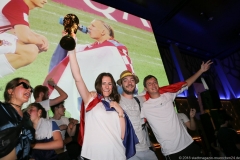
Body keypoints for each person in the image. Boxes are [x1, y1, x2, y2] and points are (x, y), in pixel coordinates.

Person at [44, 19, 134, 120]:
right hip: (107, 94)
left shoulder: (112, 45)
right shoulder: (98, 45)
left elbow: (81, 54)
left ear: (103, 32)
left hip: (121, 92)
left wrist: (71, 42)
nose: (89, 27)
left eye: (93, 26)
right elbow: (81, 51)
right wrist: (69, 39)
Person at [68, 47, 138, 159]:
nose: (106, 86)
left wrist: (120, 112)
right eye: (103, 83)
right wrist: (71, 50)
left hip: (117, 154)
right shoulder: (91, 99)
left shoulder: (116, 105)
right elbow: (78, 78)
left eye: (109, 84)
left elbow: (122, 135)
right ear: (98, 85)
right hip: (95, 155)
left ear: (113, 86)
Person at [141, 60, 212, 159]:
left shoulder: (168, 95)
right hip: (172, 151)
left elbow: (185, 84)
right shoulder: (144, 106)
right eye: (149, 84)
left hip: (188, 143)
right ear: (145, 88)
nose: (153, 85)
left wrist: (201, 70)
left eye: (155, 82)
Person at [0, 0, 49, 78]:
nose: (45, 1)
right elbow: (25, 37)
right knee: (30, 51)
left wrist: (37, 37)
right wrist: (41, 42)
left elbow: (17, 30)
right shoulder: (17, 3)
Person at [116, 70, 158, 160]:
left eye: (132, 80)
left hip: (147, 150)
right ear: (121, 84)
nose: (129, 83)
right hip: (129, 152)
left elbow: (155, 91)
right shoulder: (116, 101)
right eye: (125, 80)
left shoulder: (140, 99)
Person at [0, 77, 35, 160]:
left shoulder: (27, 118)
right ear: (10, 91)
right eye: (25, 86)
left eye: (31, 88)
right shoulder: (2, 109)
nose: (29, 89)